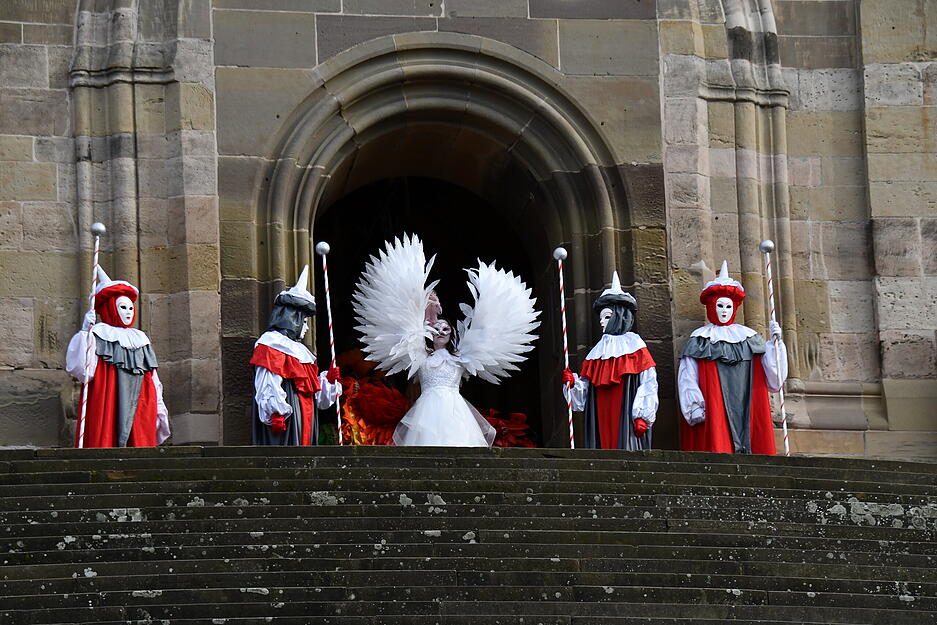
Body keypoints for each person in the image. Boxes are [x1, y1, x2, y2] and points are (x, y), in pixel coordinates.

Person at [352, 235, 540, 447]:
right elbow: (410, 328)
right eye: (437, 328)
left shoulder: (461, 358)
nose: (441, 331)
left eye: (445, 329)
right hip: (425, 411)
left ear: (452, 333)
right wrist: (426, 304)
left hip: (457, 411)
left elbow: (492, 332)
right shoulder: (420, 354)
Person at [677, 260, 787, 455]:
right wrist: (694, 407)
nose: (724, 311)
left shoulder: (750, 338)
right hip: (714, 407)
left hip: (748, 402)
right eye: (719, 306)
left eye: (728, 306)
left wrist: (775, 346)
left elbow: (773, 380)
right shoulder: (700, 340)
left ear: (734, 308)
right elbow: (688, 377)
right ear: (711, 306)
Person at [65, 267, 169, 447]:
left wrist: (159, 405)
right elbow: (83, 370)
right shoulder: (98, 333)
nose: (128, 312)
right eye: (122, 307)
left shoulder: (140, 338)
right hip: (108, 398)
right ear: (110, 308)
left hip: (141, 400)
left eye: (130, 308)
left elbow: (152, 377)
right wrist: (84, 333)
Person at [562, 271, 658, 450]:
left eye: (607, 317)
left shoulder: (635, 346)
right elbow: (585, 394)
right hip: (601, 412)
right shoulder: (598, 351)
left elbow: (648, 383)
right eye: (600, 318)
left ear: (619, 316)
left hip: (626, 410)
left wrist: (642, 416)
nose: (601, 322)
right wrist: (574, 383)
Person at [250, 265, 341, 445]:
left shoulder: (302, 352)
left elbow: (315, 397)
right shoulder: (271, 343)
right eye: (304, 321)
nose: (306, 328)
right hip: (288, 417)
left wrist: (328, 381)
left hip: (306, 416)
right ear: (293, 318)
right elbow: (268, 381)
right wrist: (275, 412)